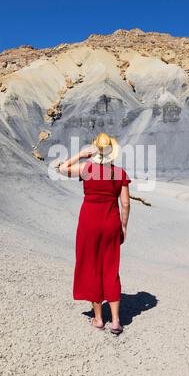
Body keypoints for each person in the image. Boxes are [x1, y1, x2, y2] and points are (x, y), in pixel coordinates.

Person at [58, 132, 131, 335]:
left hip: (89, 222)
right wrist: (123, 227)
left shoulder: (86, 168)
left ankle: (98, 319)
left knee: (91, 266)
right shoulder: (119, 173)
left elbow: (62, 169)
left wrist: (80, 155)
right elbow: (125, 204)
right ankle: (116, 321)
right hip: (111, 223)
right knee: (110, 267)